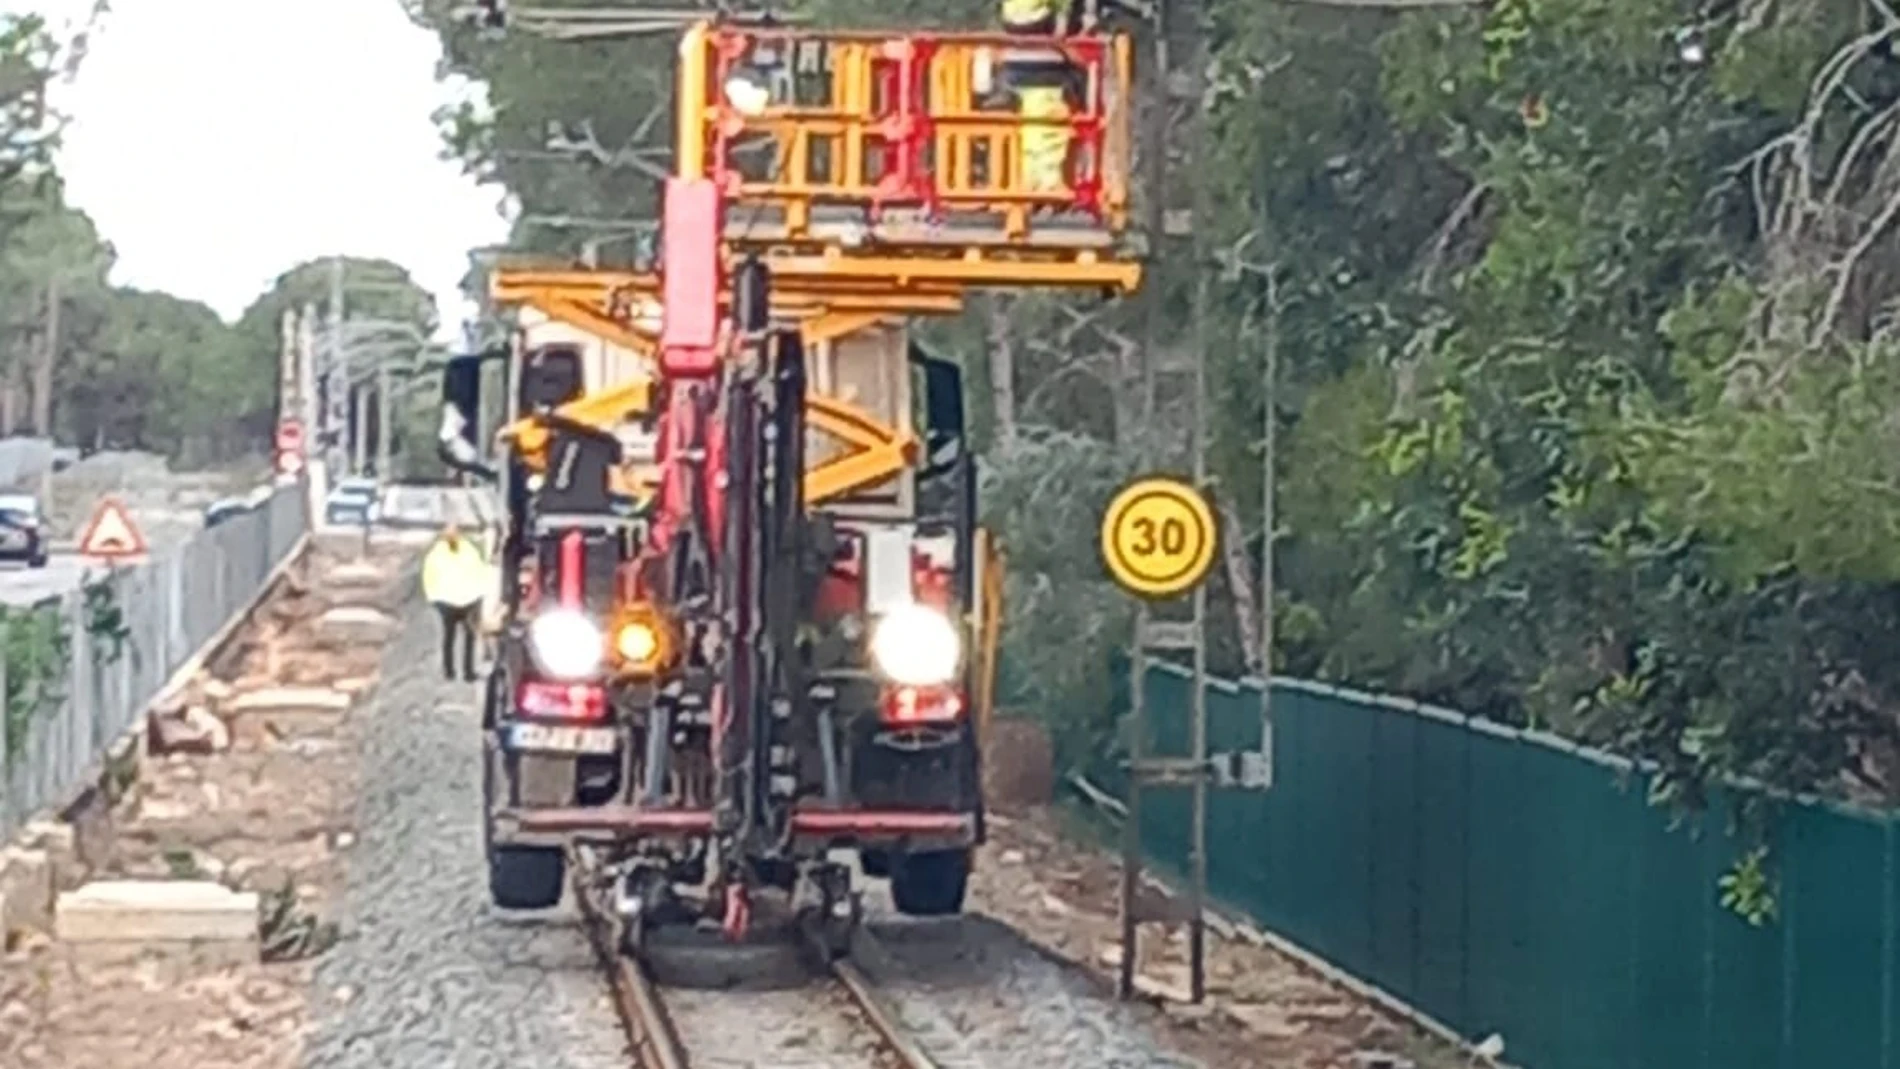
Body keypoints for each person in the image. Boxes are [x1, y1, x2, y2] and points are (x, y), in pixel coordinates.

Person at [422, 523, 488, 681]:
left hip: (462, 600)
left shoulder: (457, 551)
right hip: (455, 601)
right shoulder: (444, 552)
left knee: (457, 638)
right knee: (456, 638)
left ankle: (458, 671)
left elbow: (478, 572)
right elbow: (429, 576)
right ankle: (459, 671)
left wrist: (479, 594)